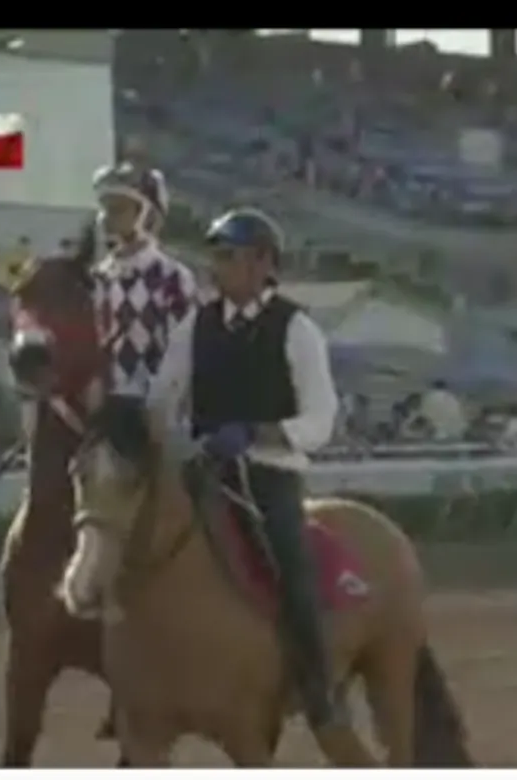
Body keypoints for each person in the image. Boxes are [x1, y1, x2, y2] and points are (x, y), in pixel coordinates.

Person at [147, 206, 346, 729]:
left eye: (228, 256)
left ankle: (317, 685)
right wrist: (161, 435)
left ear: (263, 263)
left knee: (290, 562)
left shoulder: (297, 328)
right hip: (205, 467)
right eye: (215, 256)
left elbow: (321, 420)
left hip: (268, 471)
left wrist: (258, 432)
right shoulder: (195, 325)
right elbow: (162, 397)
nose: (217, 266)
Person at [89, 161, 200, 416]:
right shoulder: (96, 277)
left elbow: (184, 353)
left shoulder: (174, 278)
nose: (106, 217)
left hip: (152, 410)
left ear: (148, 216)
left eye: (118, 209)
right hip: (102, 408)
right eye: (104, 208)